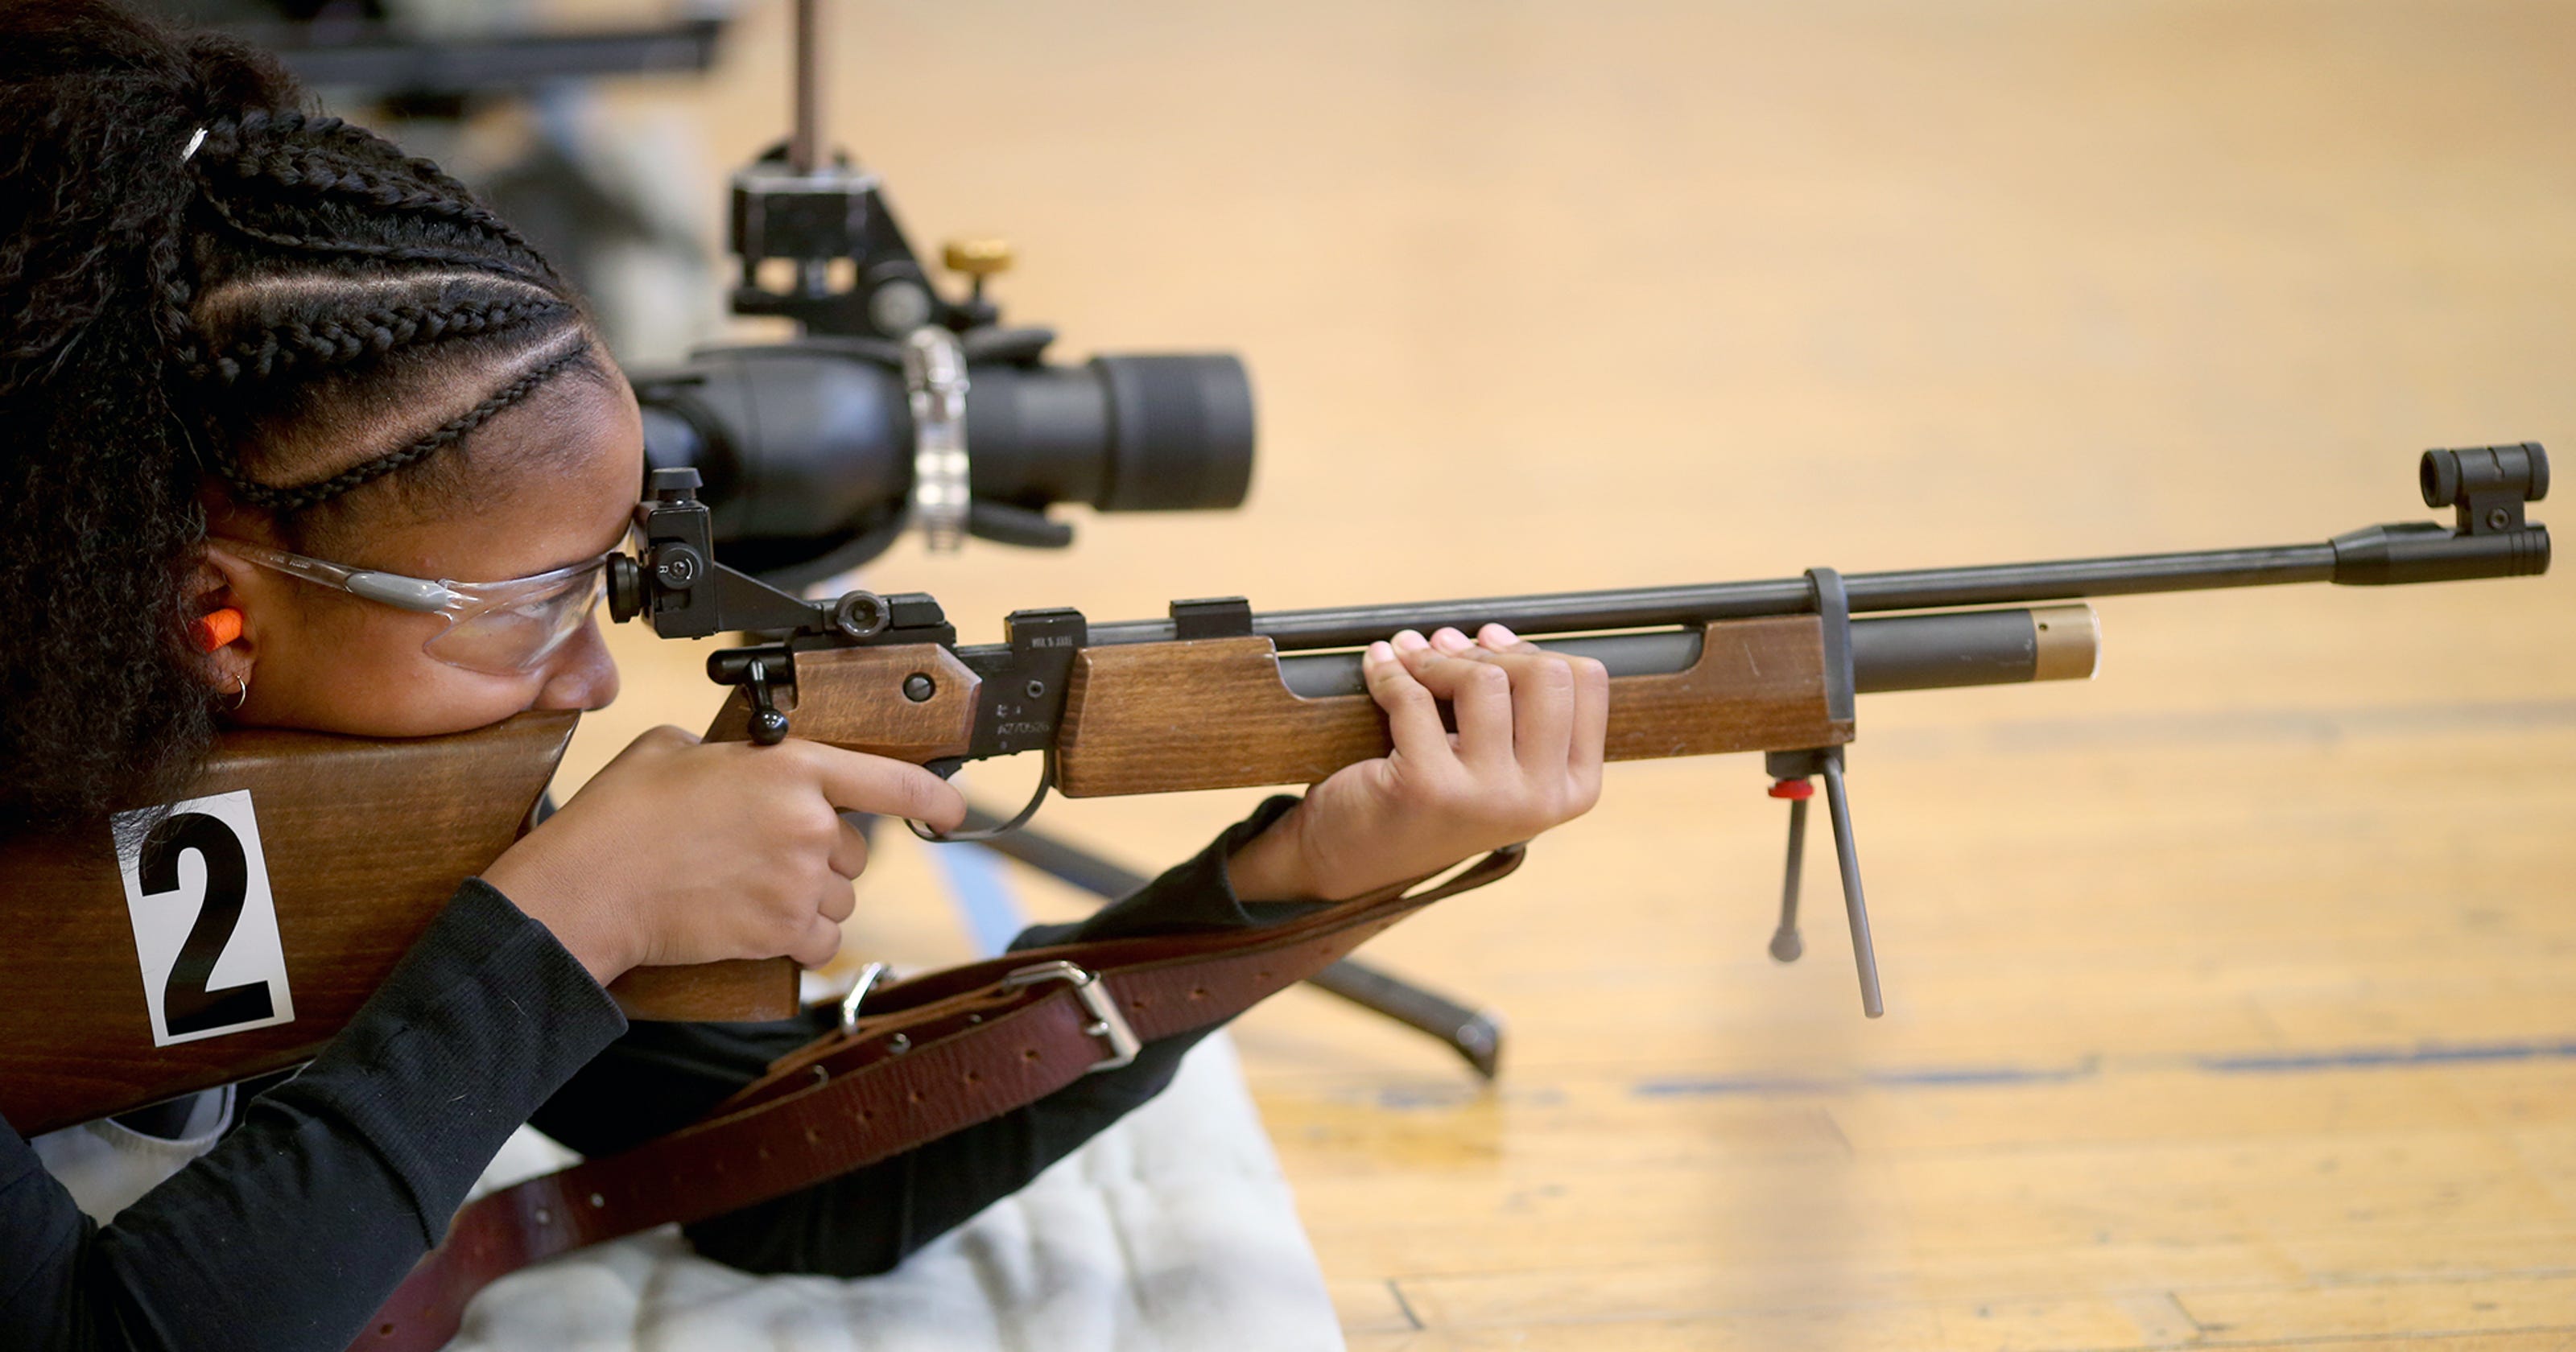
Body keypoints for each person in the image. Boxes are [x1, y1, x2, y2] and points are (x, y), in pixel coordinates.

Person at [0, 3, 1612, 1349]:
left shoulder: (335, 799)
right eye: (527, 608)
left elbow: (795, 1181)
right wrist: (560, 931)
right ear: (208, 610)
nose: (590, 683)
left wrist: (1293, 879)